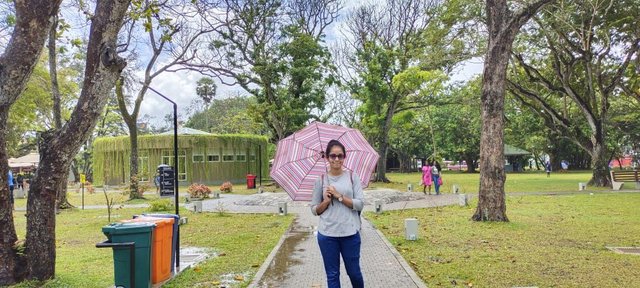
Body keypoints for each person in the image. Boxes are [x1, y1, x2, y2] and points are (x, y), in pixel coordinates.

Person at [311, 139, 365, 288]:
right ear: (327, 157)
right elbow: (314, 210)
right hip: (327, 235)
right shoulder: (320, 180)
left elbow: (360, 204)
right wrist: (326, 202)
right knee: (332, 275)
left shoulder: (352, 177)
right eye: (333, 156)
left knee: (354, 272)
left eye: (340, 156)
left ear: (344, 157)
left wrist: (339, 196)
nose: (336, 159)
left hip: (350, 234)